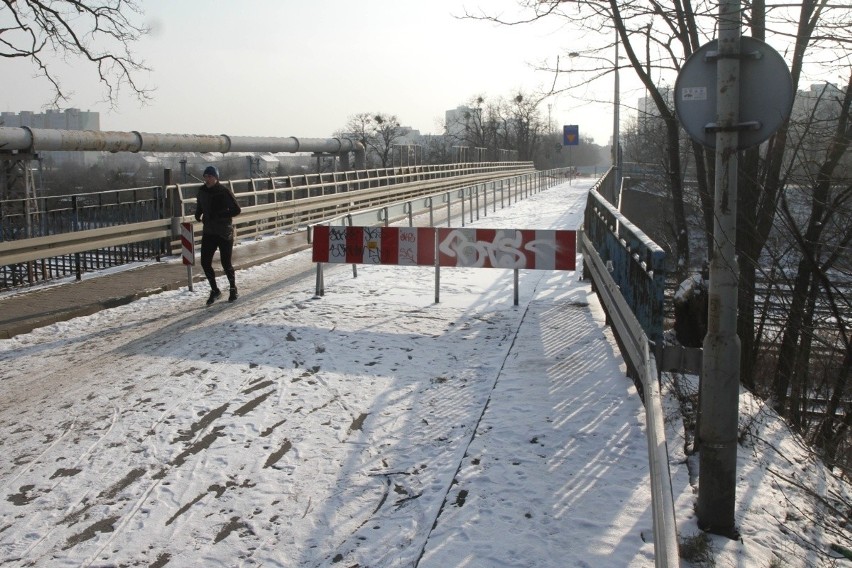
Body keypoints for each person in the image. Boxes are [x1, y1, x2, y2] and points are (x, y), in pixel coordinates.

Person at [195, 166, 242, 305]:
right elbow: (200, 205)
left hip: (224, 232)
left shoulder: (224, 191)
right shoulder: (202, 191)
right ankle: (215, 290)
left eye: (210, 176)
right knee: (205, 262)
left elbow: (236, 209)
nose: (207, 179)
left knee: (225, 263)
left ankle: (233, 288)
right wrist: (198, 214)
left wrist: (220, 215)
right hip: (209, 232)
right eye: (205, 176)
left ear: (216, 178)